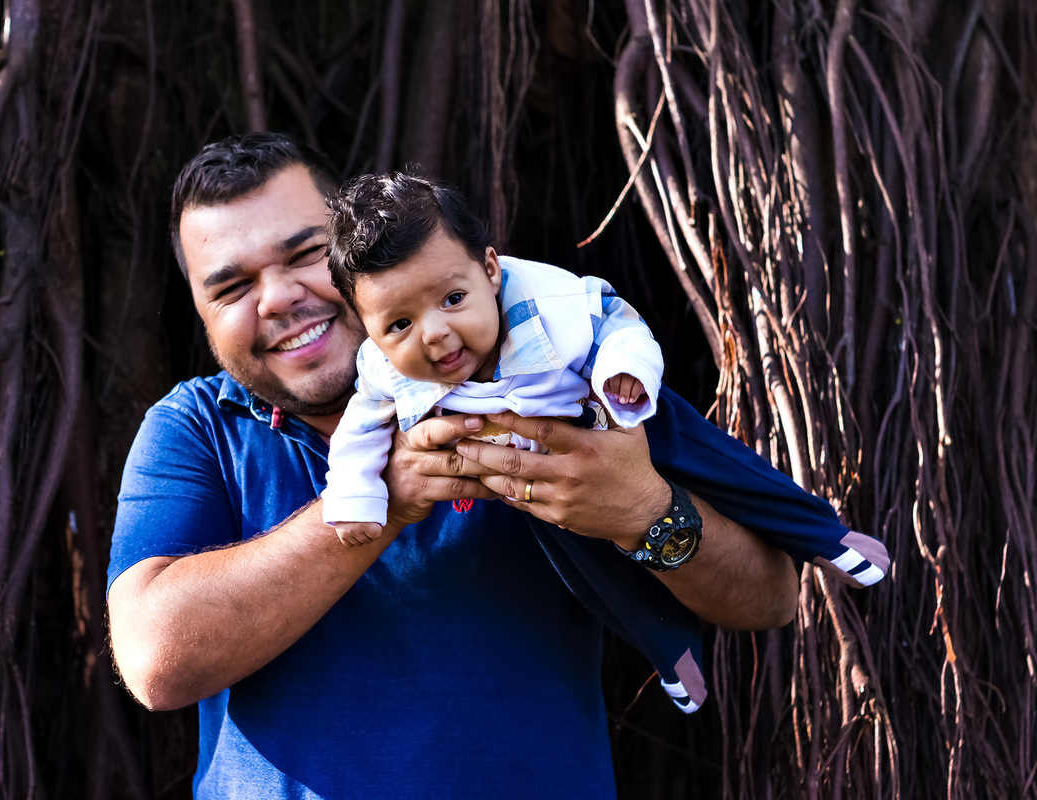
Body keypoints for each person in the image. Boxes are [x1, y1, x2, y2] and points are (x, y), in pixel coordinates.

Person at [106, 132, 801, 800]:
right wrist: (378, 502)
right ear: (200, 314)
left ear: (356, 251)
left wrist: (644, 511)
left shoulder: (545, 364)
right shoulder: (195, 428)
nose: (279, 297)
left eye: (305, 254)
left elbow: (768, 596)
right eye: (231, 288)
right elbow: (157, 661)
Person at [319, 169, 890, 712]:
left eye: (451, 300)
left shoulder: (550, 302)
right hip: (536, 481)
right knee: (594, 576)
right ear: (366, 329)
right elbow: (360, 429)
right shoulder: (381, 371)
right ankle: (672, 654)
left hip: (618, 411)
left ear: (490, 271)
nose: (435, 333)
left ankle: (828, 535)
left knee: (727, 467)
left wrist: (624, 375)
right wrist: (355, 500)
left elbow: (618, 320)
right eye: (399, 325)